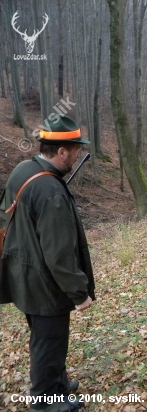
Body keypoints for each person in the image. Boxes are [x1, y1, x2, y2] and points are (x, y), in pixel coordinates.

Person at [0, 115, 95, 412]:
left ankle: (58, 384)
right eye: (76, 149)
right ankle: (45, 401)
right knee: (49, 341)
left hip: (22, 273)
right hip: (44, 283)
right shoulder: (51, 192)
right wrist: (79, 293)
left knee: (48, 338)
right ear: (62, 151)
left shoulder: (24, 169)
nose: (78, 154)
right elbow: (59, 255)